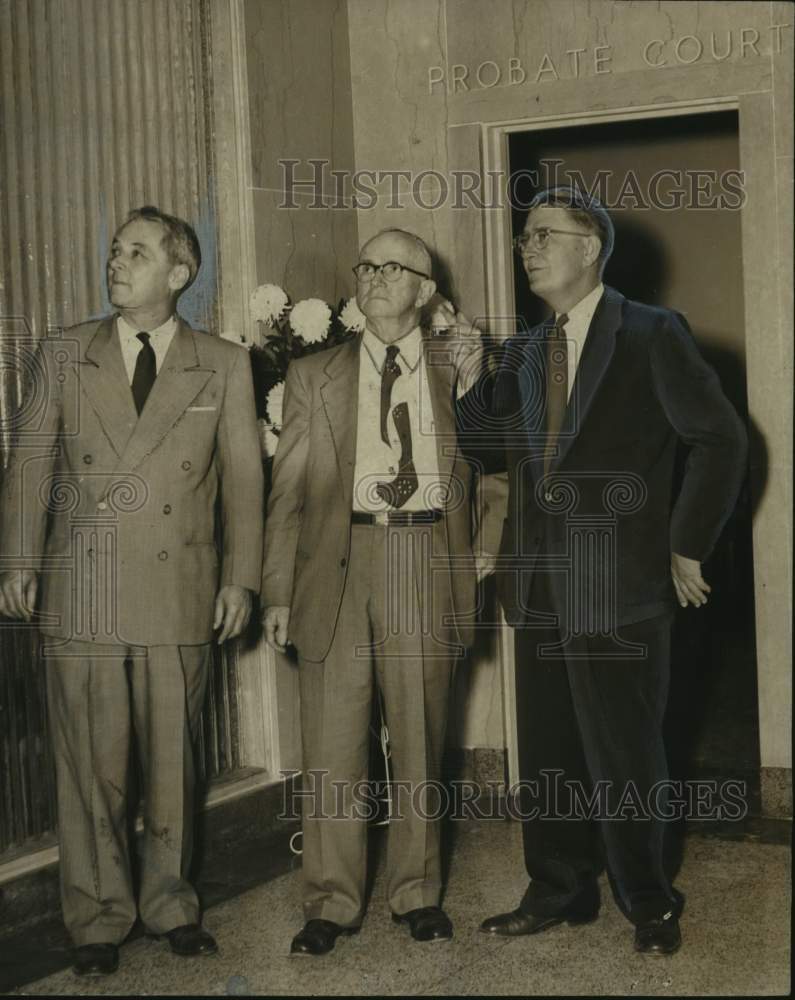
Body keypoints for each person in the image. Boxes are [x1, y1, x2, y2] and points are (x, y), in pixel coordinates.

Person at [459, 187, 747, 955]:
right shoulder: (522, 350)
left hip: (620, 584)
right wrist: (465, 378)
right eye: (523, 237)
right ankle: (558, 887)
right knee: (549, 748)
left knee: (625, 752)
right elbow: (486, 450)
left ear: (589, 248)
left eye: (543, 234)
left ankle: (647, 901)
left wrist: (687, 543)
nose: (528, 247)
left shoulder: (652, 333)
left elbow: (721, 441)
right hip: (539, 583)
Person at [0, 206, 264, 976]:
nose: (118, 263)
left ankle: (171, 904)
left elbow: (245, 479)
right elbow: (28, 464)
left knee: (173, 761)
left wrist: (242, 578)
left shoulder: (223, 363)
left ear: (179, 274)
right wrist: (17, 558)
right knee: (90, 763)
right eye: (115, 250)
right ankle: (96, 918)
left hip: (178, 583)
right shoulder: (62, 352)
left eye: (137, 253)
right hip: (82, 589)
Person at [261, 228, 490, 955]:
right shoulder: (313, 373)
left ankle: (417, 892)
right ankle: (329, 901)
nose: (375, 274)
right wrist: (274, 592)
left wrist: (482, 554)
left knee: (420, 737)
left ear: (427, 291)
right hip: (338, 561)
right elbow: (287, 492)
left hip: (424, 555)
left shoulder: (463, 368)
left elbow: (500, 468)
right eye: (365, 264)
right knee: (331, 743)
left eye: (395, 266)